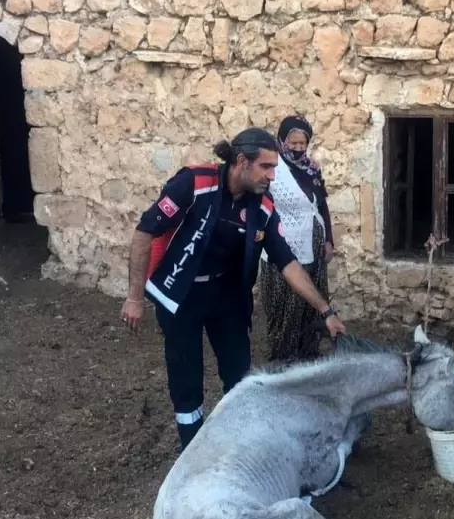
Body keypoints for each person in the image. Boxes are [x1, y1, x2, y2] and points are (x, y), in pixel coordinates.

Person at [119, 127, 346, 449]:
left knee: (239, 373)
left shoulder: (263, 206)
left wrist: (327, 311)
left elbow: (287, 262)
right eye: (266, 167)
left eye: (275, 168)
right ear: (242, 161)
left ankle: (240, 446)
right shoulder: (194, 183)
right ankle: (193, 451)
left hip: (227, 296)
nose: (272, 176)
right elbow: (145, 232)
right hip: (181, 296)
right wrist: (134, 296)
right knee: (187, 379)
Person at [260, 116, 336, 363]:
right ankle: (284, 356)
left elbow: (321, 205)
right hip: (282, 246)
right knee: (287, 302)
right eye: (293, 143)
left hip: (313, 244)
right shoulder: (273, 169)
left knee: (311, 301)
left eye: (303, 144)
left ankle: (308, 353)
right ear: (282, 140)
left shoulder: (311, 168)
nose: (298, 149)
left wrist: (328, 240)